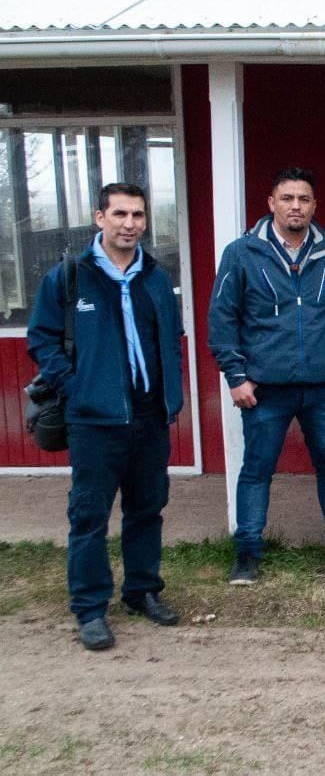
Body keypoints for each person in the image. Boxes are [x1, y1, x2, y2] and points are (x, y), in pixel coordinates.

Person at [27, 183, 185, 650]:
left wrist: (169, 398)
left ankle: (142, 590)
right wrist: (76, 388)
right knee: (89, 516)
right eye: (119, 214)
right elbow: (42, 339)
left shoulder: (156, 277)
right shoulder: (70, 276)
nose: (130, 223)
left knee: (146, 509)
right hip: (94, 420)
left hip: (148, 416)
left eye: (138, 215)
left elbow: (171, 340)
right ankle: (91, 608)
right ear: (99, 218)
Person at [208, 167, 325, 585]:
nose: (295, 206)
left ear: (314, 206)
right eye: (287, 198)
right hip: (264, 388)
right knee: (257, 469)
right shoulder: (242, 253)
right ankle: (248, 552)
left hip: (323, 387)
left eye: (303, 199)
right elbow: (222, 318)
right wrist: (236, 376)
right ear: (271, 203)